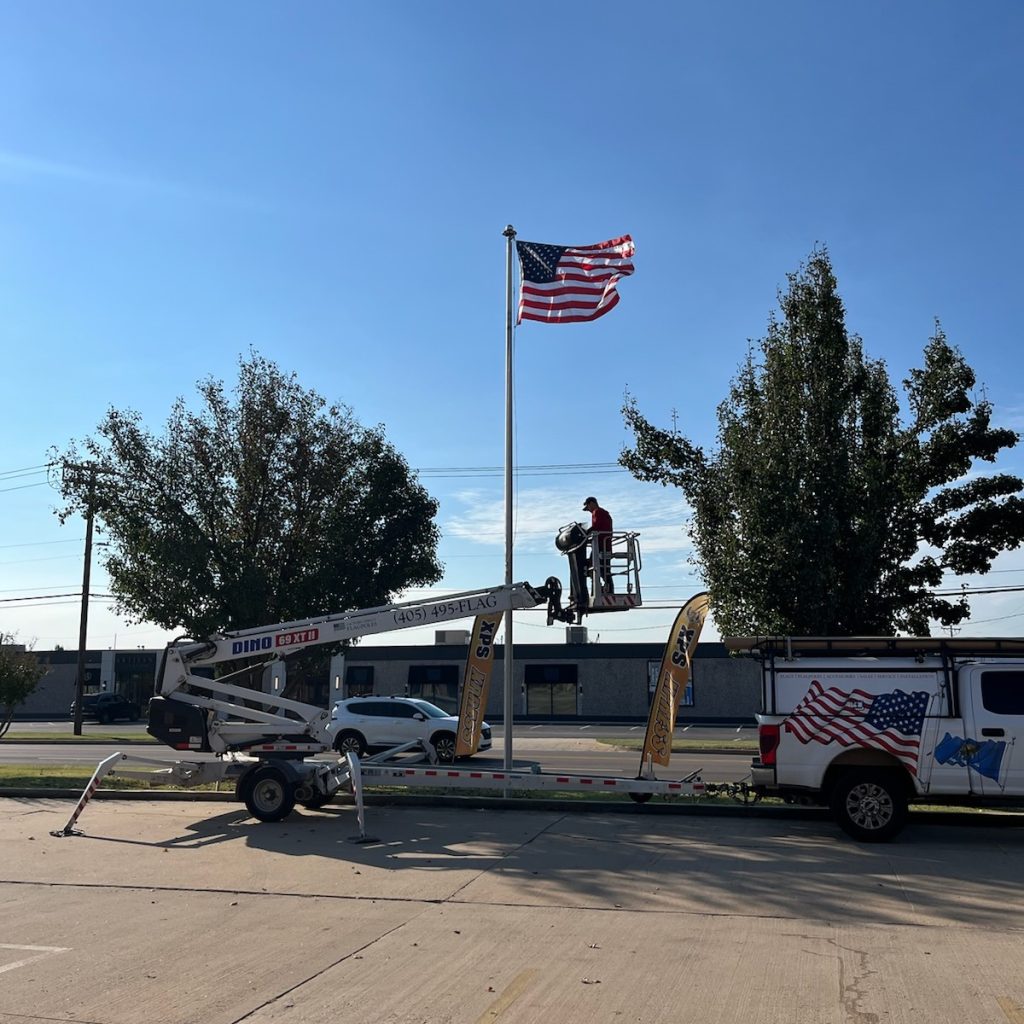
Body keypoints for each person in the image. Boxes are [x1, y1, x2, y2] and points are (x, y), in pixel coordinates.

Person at [582, 496, 614, 595]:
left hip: (600, 545)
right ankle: (609, 590)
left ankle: (596, 590)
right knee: (605, 570)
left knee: (592, 567)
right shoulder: (605, 513)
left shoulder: (597, 512)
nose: (589, 511)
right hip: (606, 545)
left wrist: (586, 533)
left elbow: (596, 527)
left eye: (588, 508)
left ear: (591, 503)